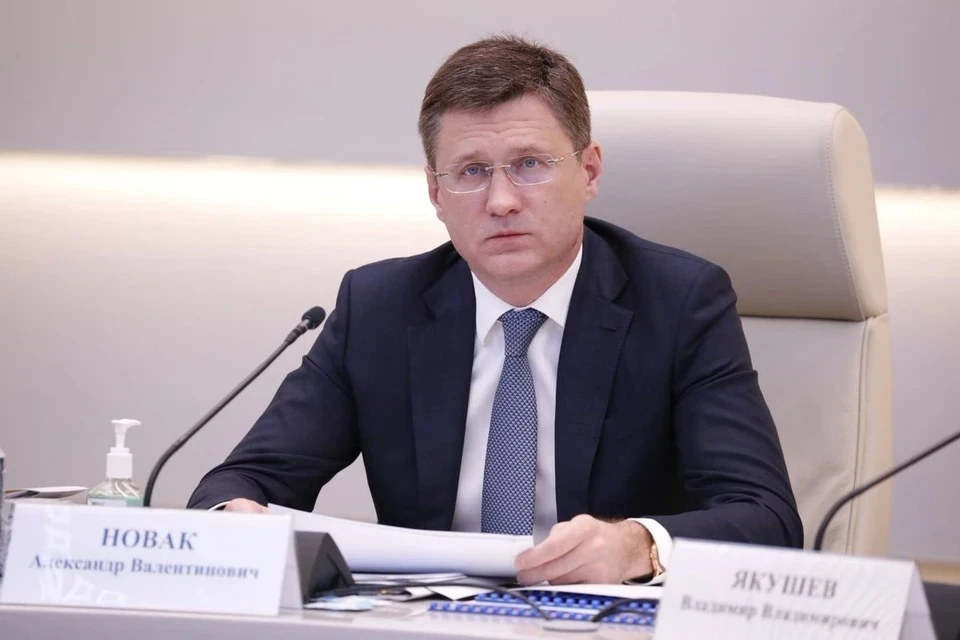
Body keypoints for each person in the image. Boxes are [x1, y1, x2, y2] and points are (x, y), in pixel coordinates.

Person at [188, 34, 803, 585]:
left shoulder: (679, 302)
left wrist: (638, 545)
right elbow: (242, 481)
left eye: (529, 165)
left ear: (589, 171)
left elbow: (766, 517)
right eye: (472, 171)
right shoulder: (378, 308)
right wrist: (230, 520)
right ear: (436, 192)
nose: (501, 200)